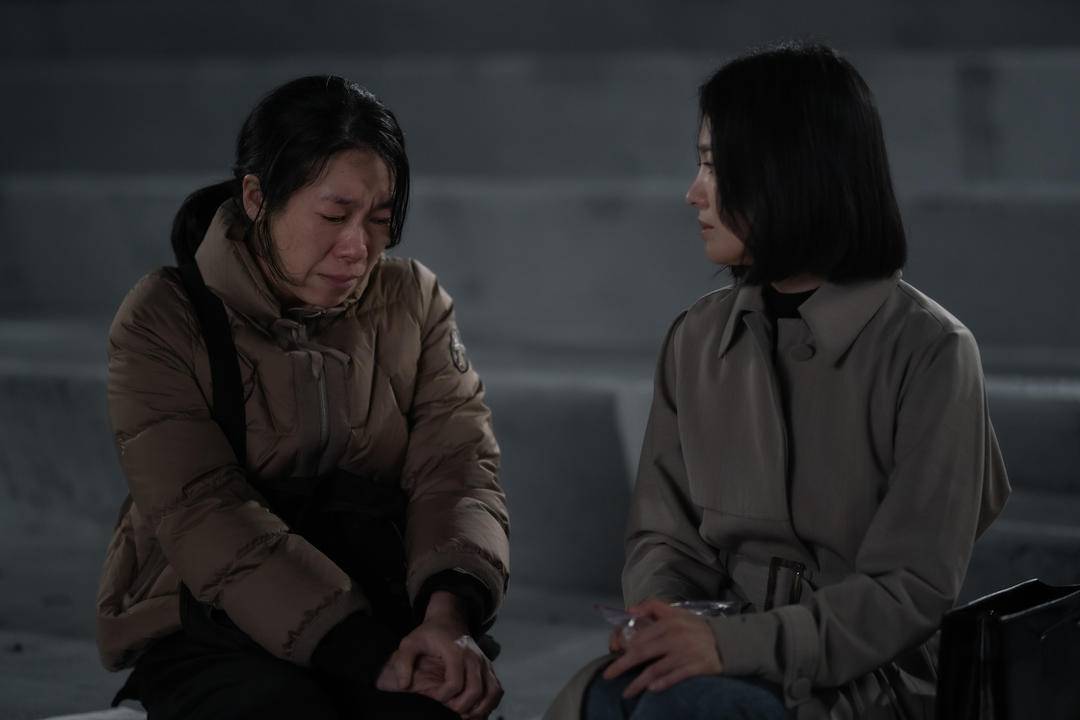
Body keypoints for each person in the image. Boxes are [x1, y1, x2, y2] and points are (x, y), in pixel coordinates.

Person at [547, 42, 1009, 720]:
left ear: (788, 172)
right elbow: (663, 540)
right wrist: (667, 628)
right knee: (613, 693)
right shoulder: (696, 338)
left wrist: (729, 646)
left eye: (713, 165)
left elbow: (907, 589)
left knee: (685, 706)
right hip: (715, 649)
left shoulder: (932, 351)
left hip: (869, 678)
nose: (693, 192)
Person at [95, 75, 510, 720]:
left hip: (383, 606)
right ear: (256, 198)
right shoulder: (165, 317)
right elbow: (203, 509)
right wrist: (365, 654)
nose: (359, 248)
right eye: (334, 216)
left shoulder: (413, 300)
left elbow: (456, 470)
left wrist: (446, 618)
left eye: (380, 220)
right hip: (215, 619)